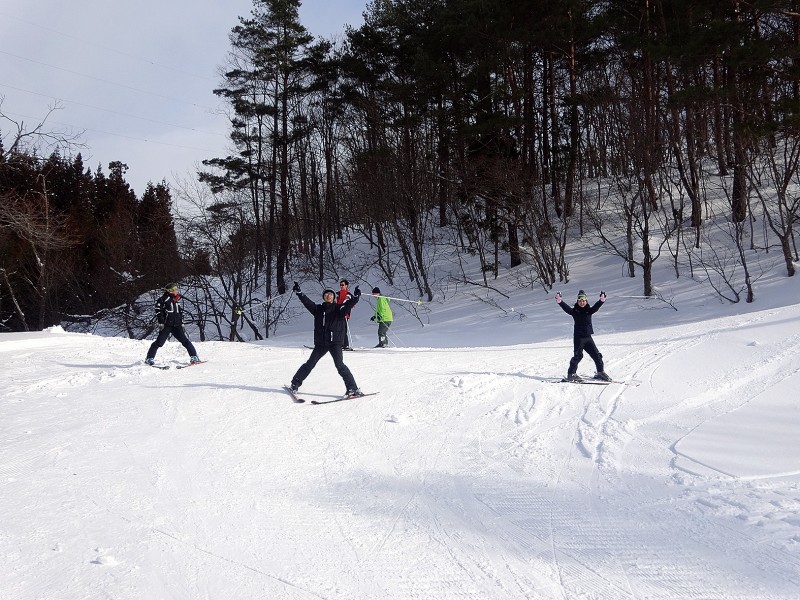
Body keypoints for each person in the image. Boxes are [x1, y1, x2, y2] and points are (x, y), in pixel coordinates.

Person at [289, 282, 363, 397]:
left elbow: (348, 305)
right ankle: (295, 384)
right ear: (324, 297)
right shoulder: (318, 309)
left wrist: (356, 298)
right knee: (310, 364)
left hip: (335, 343)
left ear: (334, 297)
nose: (328, 296)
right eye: (326, 294)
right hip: (321, 343)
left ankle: (352, 389)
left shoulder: (339, 309)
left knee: (340, 365)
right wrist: (299, 293)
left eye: (331, 294)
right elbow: (307, 302)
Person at [555, 289, 610, 381]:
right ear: (577, 301)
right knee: (578, 356)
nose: (582, 302)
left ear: (586, 301)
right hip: (579, 338)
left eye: (583, 301)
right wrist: (560, 301)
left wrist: (601, 300)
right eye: (580, 301)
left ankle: (600, 372)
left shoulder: (589, 311)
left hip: (588, 337)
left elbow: (596, 307)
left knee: (597, 355)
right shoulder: (575, 311)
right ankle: (571, 374)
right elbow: (567, 308)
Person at [145, 283, 200, 365]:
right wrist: (161, 322)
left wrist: (181, 322)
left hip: (176, 325)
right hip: (166, 325)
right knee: (159, 342)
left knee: (185, 341)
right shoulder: (163, 299)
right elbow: (158, 311)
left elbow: (179, 313)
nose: (176, 290)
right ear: (170, 291)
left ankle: (194, 357)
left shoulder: (176, 301)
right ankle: (149, 358)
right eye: (175, 289)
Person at [336, 279, 354, 350]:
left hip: (344, 314)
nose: (341, 286)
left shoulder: (348, 294)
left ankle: (345, 344)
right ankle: (341, 343)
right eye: (340, 285)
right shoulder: (338, 293)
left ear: (346, 286)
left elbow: (352, 304)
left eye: (342, 285)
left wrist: (346, 304)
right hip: (337, 313)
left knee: (343, 329)